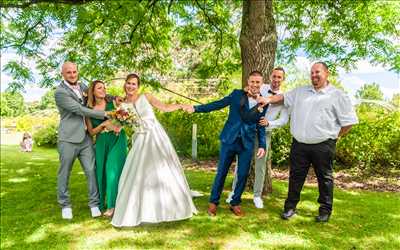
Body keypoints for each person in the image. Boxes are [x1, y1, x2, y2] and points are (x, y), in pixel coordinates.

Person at [258, 62, 358, 222]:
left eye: (317, 72)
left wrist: (335, 137)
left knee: (325, 179)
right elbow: (282, 97)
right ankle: (290, 208)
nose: (314, 75)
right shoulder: (300, 91)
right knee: (295, 177)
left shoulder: (338, 95)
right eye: (311, 73)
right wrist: (267, 99)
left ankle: (325, 210)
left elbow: (349, 122)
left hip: (324, 145)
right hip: (299, 144)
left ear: (327, 73)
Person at [111, 73, 197, 227]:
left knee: (162, 168)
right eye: (128, 83)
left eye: (134, 84)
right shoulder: (121, 104)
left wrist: (180, 105)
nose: (131, 86)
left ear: (138, 86)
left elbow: (164, 107)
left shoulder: (146, 96)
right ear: (125, 84)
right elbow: (121, 121)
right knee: (138, 171)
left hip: (155, 136)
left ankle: (169, 206)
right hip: (139, 138)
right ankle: (139, 207)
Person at [182, 70, 267, 217]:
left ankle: (235, 203)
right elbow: (218, 104)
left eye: (257, 82)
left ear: (261, 83)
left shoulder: (264, 103)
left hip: (247, 143)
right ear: (248, 81)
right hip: (229, 139)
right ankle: (213, 202)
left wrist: (262, 145)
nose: (254, 84)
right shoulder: (236, 94)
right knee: (221, 172)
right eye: (252, 81)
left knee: (242, 174)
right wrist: (196, 108)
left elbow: (260, 124)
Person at [54, 62, 111, 220]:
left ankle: (94, 204)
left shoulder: (83, 86)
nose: (72, 75)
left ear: (77, 72)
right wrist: (105, 114)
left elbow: (97, 94)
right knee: (65, 172)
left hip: (86, 138)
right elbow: (79, 109)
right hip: (68, 139)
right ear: (62, 74)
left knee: (91, 171)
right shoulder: (59, 92)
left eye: (74, 72)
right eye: (68, 72)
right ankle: (65, 205)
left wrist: (115, 98)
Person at [227, 67, 289, 209]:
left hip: (264, 133)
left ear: (283, 79)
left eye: (279, 77)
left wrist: (270, 123)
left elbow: (284, 119)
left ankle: (257, 196)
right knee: (240, 163)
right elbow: (246, 91)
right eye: (274, 76)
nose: (276, 80)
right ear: (270, 76)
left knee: (260, 167)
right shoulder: (262, 86)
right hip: (247, 131)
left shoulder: (285, 98)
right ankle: (233, 192)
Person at [85, 80, 128, 218]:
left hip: (117, 139)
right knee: (101, 173)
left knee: (112, 170)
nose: (103, 90)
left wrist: (118, 126)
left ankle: (112, 206)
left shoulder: (113, 103)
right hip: (102, 142)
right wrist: (104, 124)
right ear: (93, 91)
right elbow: (91, 132)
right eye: (99, 88)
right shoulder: (88, 110)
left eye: (104, 88)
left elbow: (126, 117)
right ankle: (103, 202)